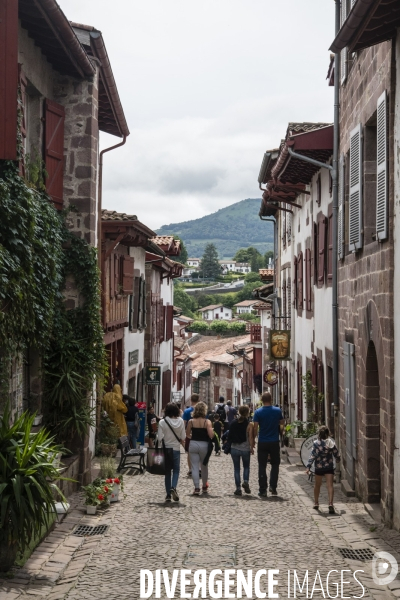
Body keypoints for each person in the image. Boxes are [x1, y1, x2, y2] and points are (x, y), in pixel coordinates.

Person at [253, 392, 284, 498]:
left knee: (262, 465)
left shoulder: (258, 412)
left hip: (263, 441)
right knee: (275, 464)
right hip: (274, 441)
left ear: (262, 400)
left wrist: (253, 439)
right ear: (271, 399)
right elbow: (282, 425)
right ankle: (273, 486)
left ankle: (263, 490)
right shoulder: (277, 411)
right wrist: (280, 434)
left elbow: (255, 427)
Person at [306, 425, 341, 514]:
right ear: (328, 433)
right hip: (329, 466)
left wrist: (308, 467)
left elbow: (312, 456)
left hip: (319, 467)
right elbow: (336, 454)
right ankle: (330, 504)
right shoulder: (331, 442)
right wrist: (338, 459)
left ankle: (316, 502)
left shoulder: (316, 443)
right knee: (330, 485)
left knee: (317, 485)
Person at [157, 402, 186, 502]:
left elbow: (160, 437)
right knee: (176, 470)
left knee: (167, 471)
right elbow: (183, 437)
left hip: (166, 450)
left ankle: (168, 495)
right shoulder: (181, 421)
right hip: (176, 449)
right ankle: (173, 487)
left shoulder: (162, 422)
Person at [186, 401, 214, 495]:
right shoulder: (207, 422)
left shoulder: (191, 421)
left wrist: (192, 438)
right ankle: (204, 486)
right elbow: (211, 435)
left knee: (194, 466)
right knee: (204, 466)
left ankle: (196, 487)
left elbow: (187, 434)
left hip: (193, 444)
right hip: (204, 445)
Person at [228, 405, 255, 495]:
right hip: (245, 449)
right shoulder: (249, 424)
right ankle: (246, 481)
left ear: (239, 412)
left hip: (234, 448)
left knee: (236, 468)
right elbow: (251, 437)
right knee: (246, 467)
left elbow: (230, 436)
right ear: (248, 413)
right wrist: (251, 448)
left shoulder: (233, 423)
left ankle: (238, 488)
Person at [182, 393, 199, 476]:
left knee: (189, 452)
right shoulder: (201, 410)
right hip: (199, 433)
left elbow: (184, 423)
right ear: (198, 400)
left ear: (191, 400)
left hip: (189, 433)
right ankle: (198, 468)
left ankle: (190, 469)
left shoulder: (187, 411)